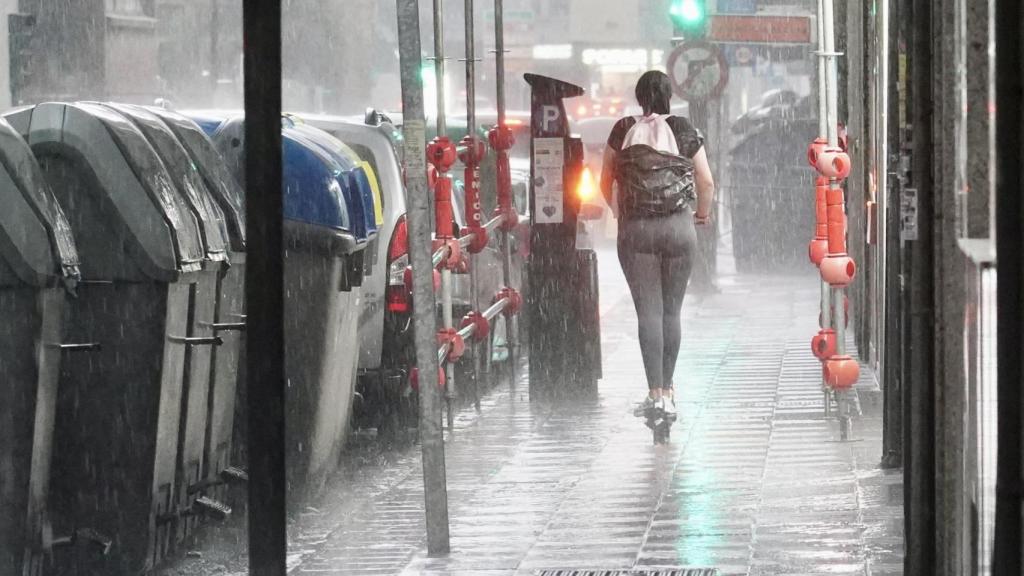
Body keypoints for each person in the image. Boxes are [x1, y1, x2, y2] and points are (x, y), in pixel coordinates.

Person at [600, 70, 716, 415]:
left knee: (648, 313)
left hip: (636, 230)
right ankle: (669, 388)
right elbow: (706, 182)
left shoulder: (623, 129)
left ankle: (654, 394)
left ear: (639, 97)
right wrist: (701, 216)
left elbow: (605, 181)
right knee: (671, 311)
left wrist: (620, 212)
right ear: (669, 95)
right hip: (679, 228)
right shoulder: (683, 129)